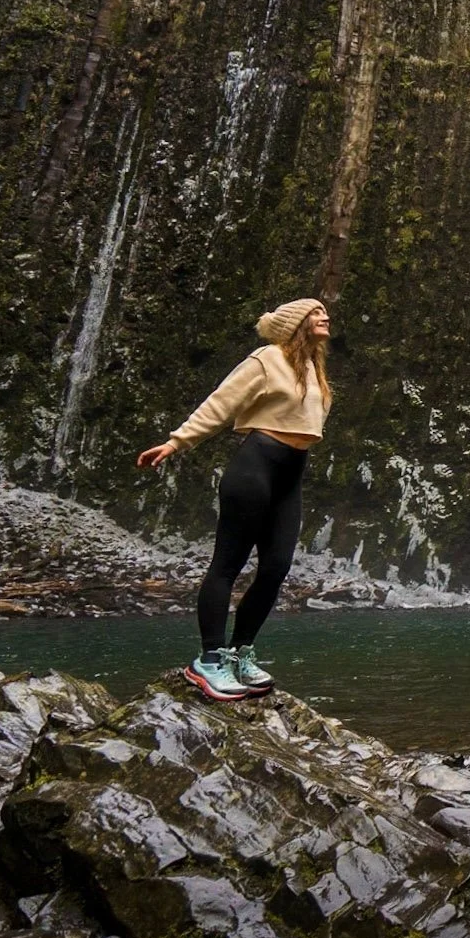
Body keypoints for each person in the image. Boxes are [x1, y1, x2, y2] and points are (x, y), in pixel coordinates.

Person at [138, 298, 332, 701]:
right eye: (315, 312)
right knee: (228, 563)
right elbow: (221, 402)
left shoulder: (313, 366)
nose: (324, 316)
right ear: (296, 323)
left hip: (291, 473)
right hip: (256, 465)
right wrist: (177, 442)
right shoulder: (267, 358)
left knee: (276, 567)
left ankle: (241, 654)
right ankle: (208, 660)